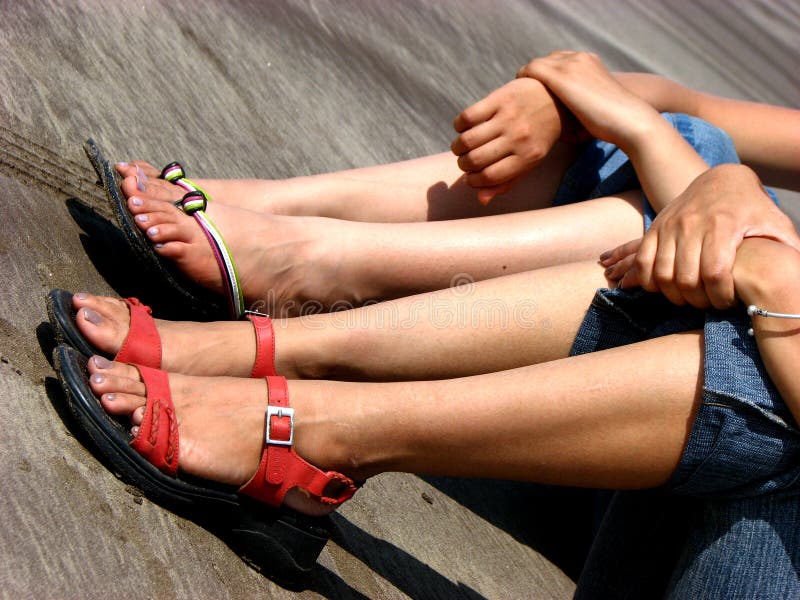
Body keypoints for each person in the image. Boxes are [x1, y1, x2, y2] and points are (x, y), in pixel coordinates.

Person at [59, 52, 800, 596]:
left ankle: (317, 402)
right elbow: (677, 101)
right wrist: (586, 109)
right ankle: (286, 254)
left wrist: (762, 266)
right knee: (693, 158)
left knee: (755, 341)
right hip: (667, 462)